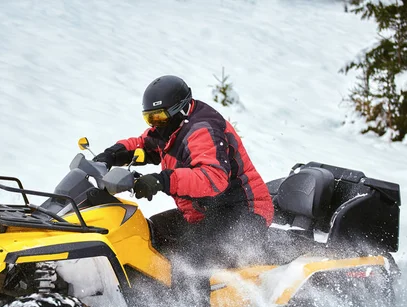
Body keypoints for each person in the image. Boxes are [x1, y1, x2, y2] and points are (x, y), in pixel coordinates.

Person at [94, 75, 274, 288]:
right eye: (149, 118)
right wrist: (112, 154)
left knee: (189, 260)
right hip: (206, 212)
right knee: (146, 233)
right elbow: (144, 145)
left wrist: (162, 181)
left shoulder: (201, 130)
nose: (155, 124)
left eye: (158, 117)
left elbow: (212, 178)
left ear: (179, 110)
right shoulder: (171, 128)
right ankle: (142, 294)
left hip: (242, 211)